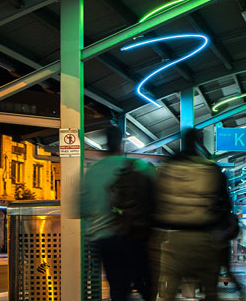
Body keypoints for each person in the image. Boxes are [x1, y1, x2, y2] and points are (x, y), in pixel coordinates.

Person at [153, 128, 232, 301]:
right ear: (200, 142)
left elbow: (154, 205)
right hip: (204, 239)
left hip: (172, 240)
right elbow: (225, 206)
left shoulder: (167, 169)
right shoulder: (211, 169)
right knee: (211, 291)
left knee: (169, 291)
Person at [80, 127, 156, 301]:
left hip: (105, 240)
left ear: (105, 143)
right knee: (146, 286)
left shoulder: (91, 172)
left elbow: (80, 209)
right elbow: (158, 197)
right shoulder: (140, 167)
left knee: (118, 289)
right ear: (122, 143)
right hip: (137, 237)